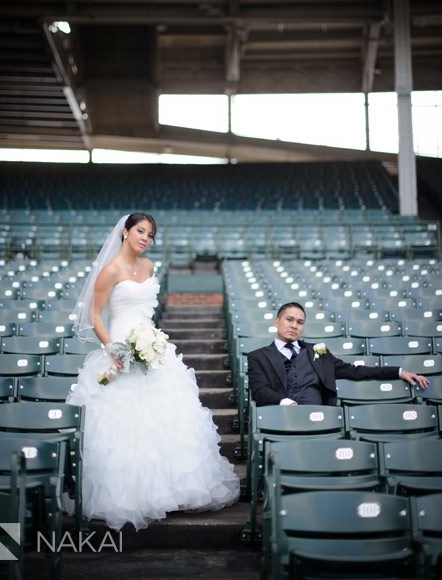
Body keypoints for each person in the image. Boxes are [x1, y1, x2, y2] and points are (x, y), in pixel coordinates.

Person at [64, 212, 239, 531]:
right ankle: (129, 497)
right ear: (126, 232)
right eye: (140, 231)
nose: (146, 238)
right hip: (119, 352)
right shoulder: (110, 270)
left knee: (168, 419)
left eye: (151, 234)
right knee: (124, 427)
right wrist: (112, 349)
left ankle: (171, 491)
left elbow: (146, 314)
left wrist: (151, 340)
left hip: (152, 350)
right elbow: (94, 315)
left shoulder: (149, 267)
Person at [248, 301, 430, 407]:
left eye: (300, 322)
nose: (294, 325)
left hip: (319, 419)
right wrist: (285, 402)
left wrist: (398, 372)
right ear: (276, 321)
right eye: (289, 319)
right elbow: (260, 391)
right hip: (281, 418)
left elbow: (355, 372)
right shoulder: (258, 357)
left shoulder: (318, 352)